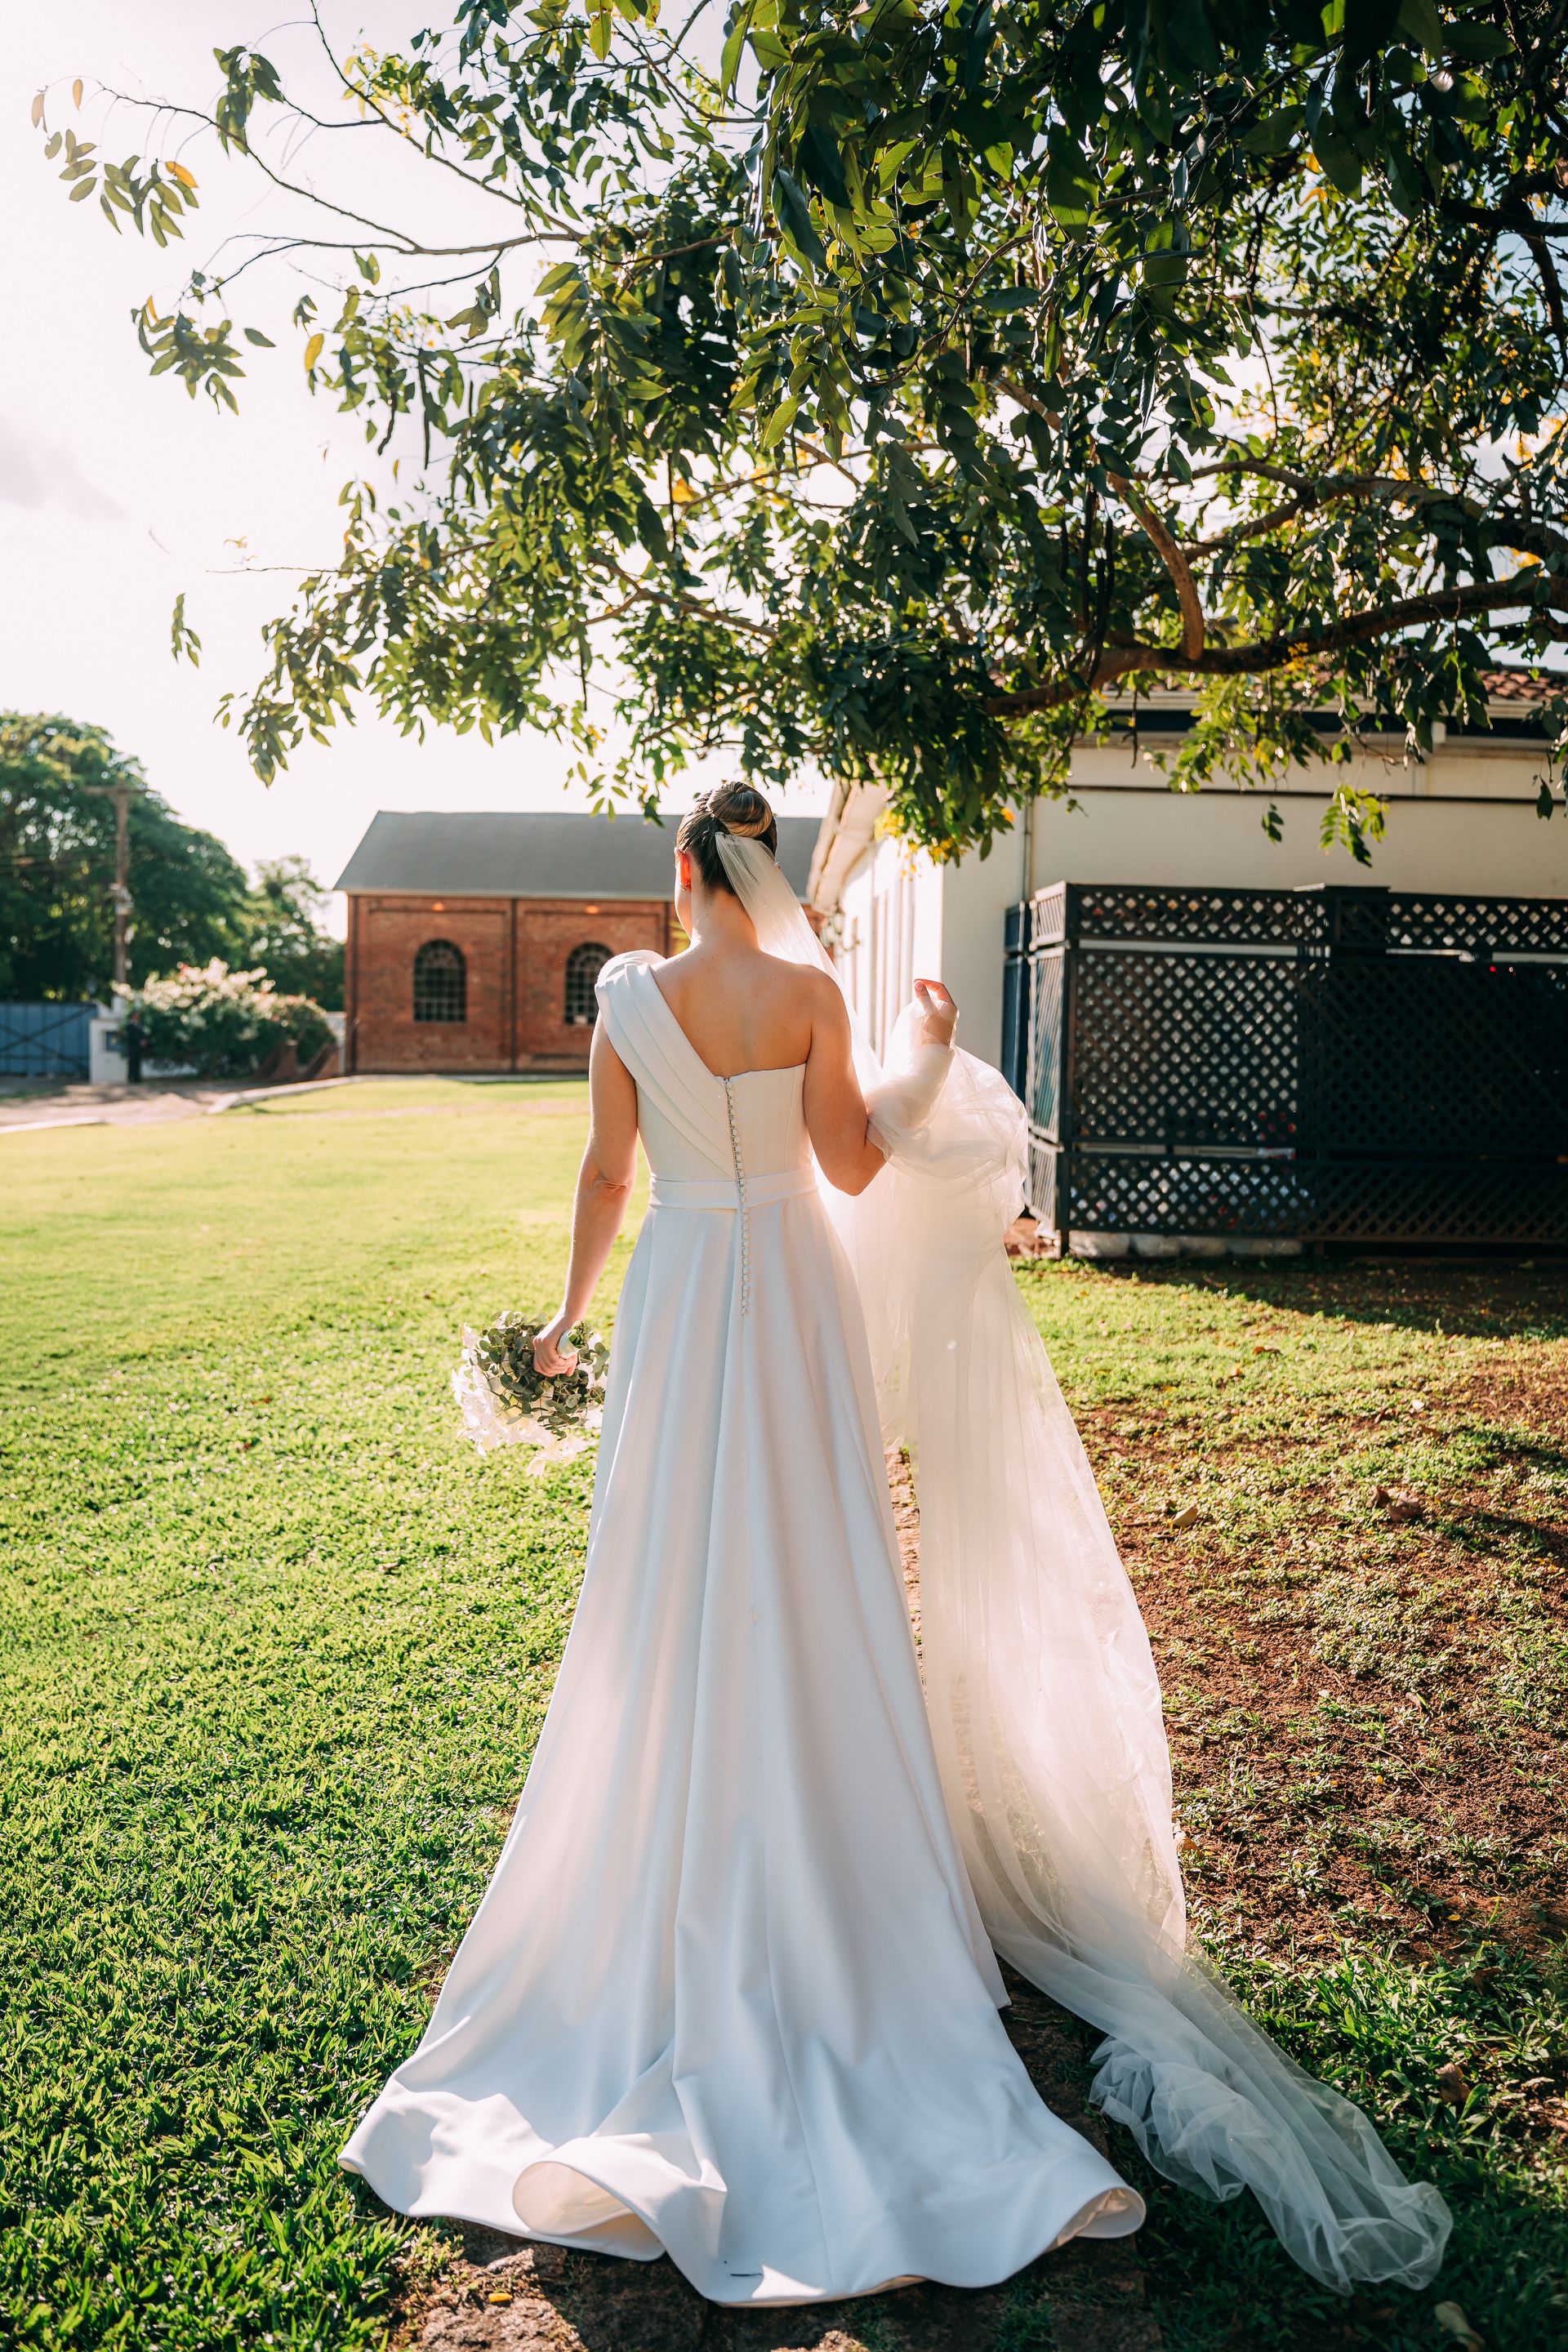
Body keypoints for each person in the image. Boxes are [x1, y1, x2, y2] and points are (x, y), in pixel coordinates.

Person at [341, 785, 1449, 2306]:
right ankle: (836, 1824)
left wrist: (566, 1318)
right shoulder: (804, 995)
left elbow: (608, 1178)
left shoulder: (625, 1002)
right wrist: (924, 1056)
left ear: (682, 871)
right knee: (818, 1564)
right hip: (790, 1292)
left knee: (664, 1578)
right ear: (772, 870)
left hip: (678, 1291)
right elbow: (856, 1171)